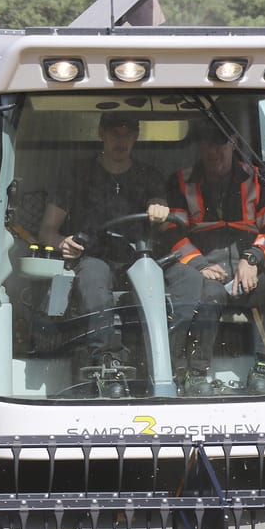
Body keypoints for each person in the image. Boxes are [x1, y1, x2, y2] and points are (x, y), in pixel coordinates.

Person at [38, 112, 168, 396]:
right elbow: (47, 230)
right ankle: (109, 363)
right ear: (101, 133)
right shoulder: (77, 174)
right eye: (114, 134)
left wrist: (159, 208)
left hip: (140, 260)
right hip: (92, 258)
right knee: (95, 276)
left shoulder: (150, 177)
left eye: (127, 134)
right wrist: (62, 242)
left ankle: (176, 367)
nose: (120, 141)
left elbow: (161, 206)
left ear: (136, 137)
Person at [163, 121, 265, 396]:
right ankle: (196, 374)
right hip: (207, 264)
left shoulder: (260, 179)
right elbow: (172, 233)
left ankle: (262, 368)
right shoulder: (181, 181)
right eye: (206, 144)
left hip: (250, 263)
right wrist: (199, 264)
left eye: (219, 144)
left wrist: (253, 259)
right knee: (206, 294)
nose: (212, 151)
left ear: (232, 143)